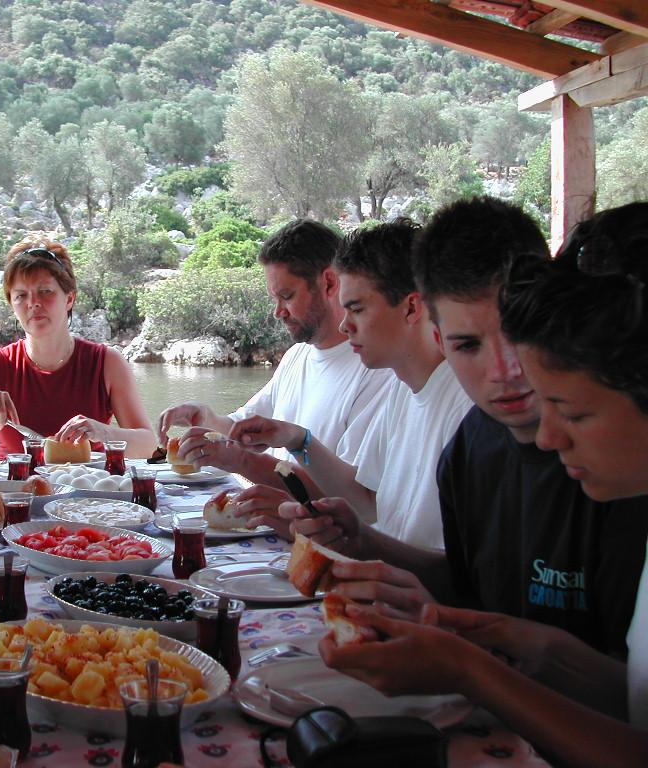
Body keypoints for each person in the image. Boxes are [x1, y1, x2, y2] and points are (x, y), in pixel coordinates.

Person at [320, 203, 648, 768]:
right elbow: (630, 692)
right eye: (469, 345)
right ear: (439, 337)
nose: (506, 372)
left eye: (571, 411)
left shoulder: (621, 477)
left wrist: (472, 668)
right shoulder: (472, 445)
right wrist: (371, 548)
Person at [232, 220, 473, 549]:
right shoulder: (404, 391)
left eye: (357, 309)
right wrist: (297, 439)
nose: (345, 326)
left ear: (413, 307)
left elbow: (468, 579)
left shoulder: (466, 408)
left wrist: (354, 543)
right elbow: (365, 501)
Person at [157, 220, 392, 495]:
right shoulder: (297, 355)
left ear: (329, 282)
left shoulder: (376, 371)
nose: (278, 312)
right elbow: (243, 429)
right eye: (274, 299)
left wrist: (242, 461)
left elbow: (354, 497)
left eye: (287, 296)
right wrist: (206, 418)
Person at [0, 239, 156, 459]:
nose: (33, 304)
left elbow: (148, 444)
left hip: (88, 496)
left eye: (45, 291)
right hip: (13, 498)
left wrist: (102, 431)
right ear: (12, 305)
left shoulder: (106, 362)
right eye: (20, 296)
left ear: (69, 298)